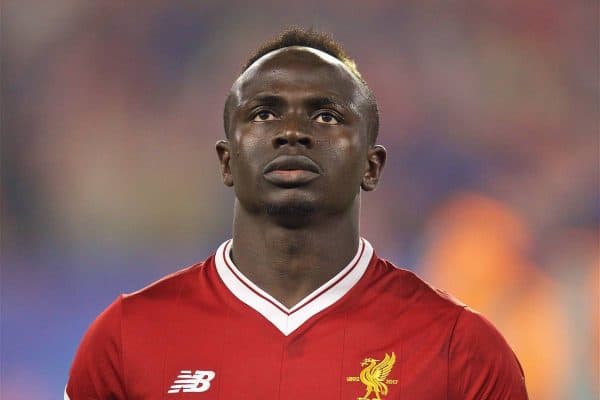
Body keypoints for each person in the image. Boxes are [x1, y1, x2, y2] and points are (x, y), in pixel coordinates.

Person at [65, 28, 528, 400]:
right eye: (264, 114)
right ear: (227, 161)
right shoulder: (127, 338)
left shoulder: (460, 348)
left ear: (372, 165)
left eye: (325, 116)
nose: (291, 132)